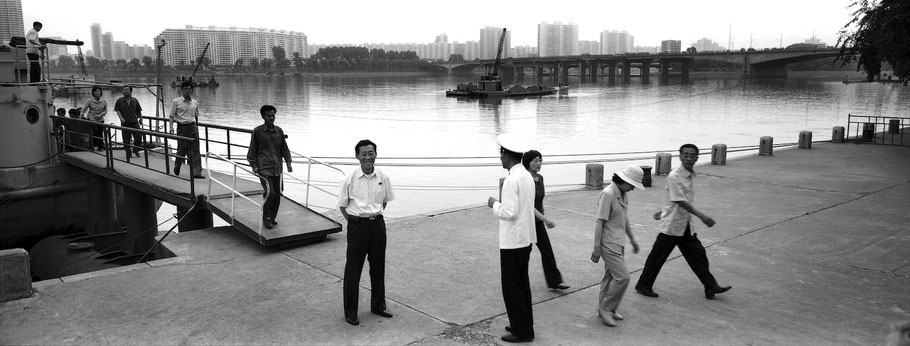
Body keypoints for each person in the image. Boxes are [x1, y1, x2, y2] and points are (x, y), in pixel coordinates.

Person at [634, 144, 732, 300]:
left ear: (697, 158)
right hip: (672, 226)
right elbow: (679, 200)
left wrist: (663, 210)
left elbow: (674, 198)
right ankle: (643, 285)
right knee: (657, 257)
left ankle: (710, 286)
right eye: (685, 155)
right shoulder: (674, 176)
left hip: (684, 225)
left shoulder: (690, 174)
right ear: (680, 157)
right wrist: (702, 216)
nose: (688, 158)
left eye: (692, 155)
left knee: (698, 254)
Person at [338, 139, 394, 326]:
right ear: (357, 156)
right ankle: (351, 312)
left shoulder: (383, 177)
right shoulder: (350, 178)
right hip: (357, 227)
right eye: (364, 154)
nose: (368, 157)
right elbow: (343, 206)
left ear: (376, 154)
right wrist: (355, 223)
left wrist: (373, 217)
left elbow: (384, 202)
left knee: (378, 267)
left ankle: (378, 305)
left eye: (371, 153)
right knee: (353, 270)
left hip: (377, 226)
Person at [487, 133, 536, 343]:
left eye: (501, 155)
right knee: (522, 284)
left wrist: (493, 204)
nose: (500, 159)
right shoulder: (527, 176)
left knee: (512, 288)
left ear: (507, 156)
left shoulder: (510, 180)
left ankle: (521, 331)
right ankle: (523, 323)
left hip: (512, 242)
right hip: (525, 238)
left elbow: (509, 212)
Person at [590, 165, 644, 327]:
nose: (633, 188)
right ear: (624, 181)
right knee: (623, 278)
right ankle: (606, 309)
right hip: (608, 243)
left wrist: (632, 239)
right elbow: (600, 221)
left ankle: (607, 309)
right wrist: (596, 248)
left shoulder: (623, 193)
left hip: (618, 241)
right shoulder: (608, 194)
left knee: (611, 277)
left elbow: (623, 218)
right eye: (632, 184)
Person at [521, 150, 569, 290]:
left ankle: (555, 282)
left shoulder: (540, 178)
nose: (538, 163)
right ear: (527, 162)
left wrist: (542, 214)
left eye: (540, 160)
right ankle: (520, 281)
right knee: (524, 254)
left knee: (547, 251)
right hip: (526, 223)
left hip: (538, 222)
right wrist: (545, 219)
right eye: (534, 161)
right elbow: (528, 204)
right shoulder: (525, 180)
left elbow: (538, 200)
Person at [246, 105, 292, 229]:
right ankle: (266, 217)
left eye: (273, 115)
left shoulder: (279, 131)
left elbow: (284, 148)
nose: (271, 118)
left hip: (277, 168)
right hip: (264, 168)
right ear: (263, 117)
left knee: (277, 194)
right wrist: (254, 166)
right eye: (268, 116)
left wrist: (288, 162)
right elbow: (252, 151)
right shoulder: (257, 132)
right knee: (269, 193)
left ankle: (272, 217)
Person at [169, 81, 203, 178]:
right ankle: (178, 164)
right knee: (182, 149)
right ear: (182, 90)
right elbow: (171, 115)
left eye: (189, 89)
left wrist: (197, 127)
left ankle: (196, 172)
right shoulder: (176, 102)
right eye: (185, 89)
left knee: (195, 150)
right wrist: (171, 127)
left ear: (191, 90)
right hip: (182, 127)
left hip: (192, 127)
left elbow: (196, 116)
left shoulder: (195, 102)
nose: (187, 91)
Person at [114, 86, 143, 158]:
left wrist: (141, 118)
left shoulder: (135, 100)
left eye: (127, 90)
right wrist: (121, 118)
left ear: (130, 91)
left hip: (134, 121)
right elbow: (117, 110)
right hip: (125, 122)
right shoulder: (120, 101)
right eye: (123, 90)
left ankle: (136, 150)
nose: (125, 91)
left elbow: (139, 110)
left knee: (138, 137)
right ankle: (128, 153)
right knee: (126, 139)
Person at [81, 86, 108, 151]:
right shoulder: (90, 101)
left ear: (101, 92)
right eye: (95, 91)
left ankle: (100, 147)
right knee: (96, 132)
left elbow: (105, 110)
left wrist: (101, 115)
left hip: (100, 119)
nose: (97, 93)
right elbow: (84, 109)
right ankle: (94, 145)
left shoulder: (103, 101)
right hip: (92, 119)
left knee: (100, 133)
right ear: (93, 93)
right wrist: (81, 115)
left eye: (98, 91)